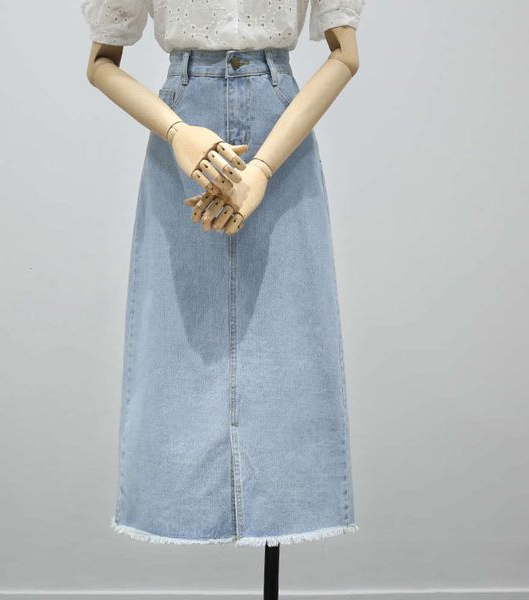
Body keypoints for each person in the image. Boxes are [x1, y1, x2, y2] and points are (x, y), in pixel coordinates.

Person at [80, 0, 365, 546]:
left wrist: (263, 167)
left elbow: (345, 55)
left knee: (294, 340)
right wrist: (176, 131)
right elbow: (100, 62)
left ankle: (294, 502)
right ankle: (176, 505)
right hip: (186, 135)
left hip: (282, 130)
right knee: (174, 340)